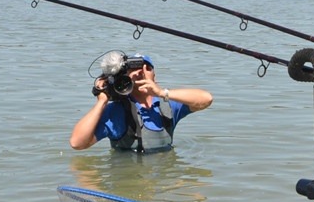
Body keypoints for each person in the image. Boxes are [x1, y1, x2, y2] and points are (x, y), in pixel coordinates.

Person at [69, 51, 213, 153]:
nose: (140, 72)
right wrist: (102, 101)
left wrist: (162, 93)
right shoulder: (117, 111)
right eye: (134, 68)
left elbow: (206, 99)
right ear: (125, 77)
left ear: (154, 75)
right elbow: (77, 143)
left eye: (147, 68)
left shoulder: (167, 104)